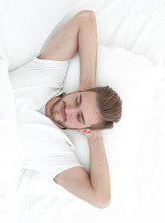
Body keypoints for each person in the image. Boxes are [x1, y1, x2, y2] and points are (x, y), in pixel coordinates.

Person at [10, 10, 122, 208]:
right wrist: (87, 83)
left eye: (79, 118)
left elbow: (101, 198)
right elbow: (86, 19)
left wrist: (95, 138)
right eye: (77, 101)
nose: (68, 110)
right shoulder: (47, 76)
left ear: (85, 129)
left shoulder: (56, 153)